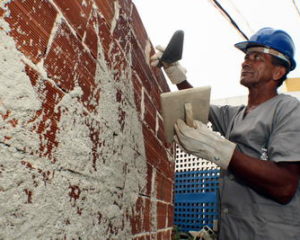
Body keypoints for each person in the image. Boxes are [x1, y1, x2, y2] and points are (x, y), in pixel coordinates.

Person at [151, 27, 300, 239]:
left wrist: (220, 150)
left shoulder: (289, 110)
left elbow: (285, 186)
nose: (246, 62)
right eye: (246, 57)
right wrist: (175, 72)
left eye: (257, 57)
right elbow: (198, 106)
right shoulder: (235, 115)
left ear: (278, 72)